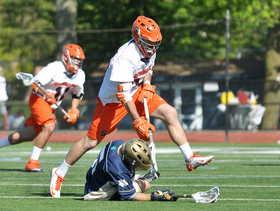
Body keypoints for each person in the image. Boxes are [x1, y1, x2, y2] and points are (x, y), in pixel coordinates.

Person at [50, 16, 214, 197]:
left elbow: (148, 69)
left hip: (135, 91)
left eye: (154, 44)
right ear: (137, 38)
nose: (152, 48)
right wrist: (138, 122)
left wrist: (147, 85)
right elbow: (123, 95)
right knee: (90, 142)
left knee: (170, 112)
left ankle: (189, 158)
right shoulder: (126, 56)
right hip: (113, 101)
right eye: (148, 43)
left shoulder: (149, 49)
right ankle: (60, 172)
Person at [0, 44, 86, 172]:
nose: (78, 62)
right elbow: (35, 84)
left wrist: (74, 110)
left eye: (79, 60)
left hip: (51, 106)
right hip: (39, 99)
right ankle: (32, 163)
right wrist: (46, 94)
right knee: (50, 126)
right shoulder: (54, 68)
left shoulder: (80, 75)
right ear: (66, 57)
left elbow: (78, 93)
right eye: (75, 59)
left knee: (28, 134)